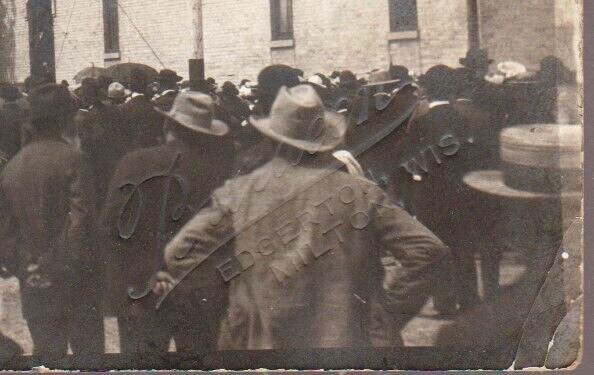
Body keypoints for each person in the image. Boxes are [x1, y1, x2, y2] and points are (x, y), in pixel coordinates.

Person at [158, 84, 448, 349]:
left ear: (273, 139)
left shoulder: (240, 192)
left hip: (261, 342)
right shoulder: (362, 193)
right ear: (324, 140)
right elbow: (428, 251)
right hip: (349, 342)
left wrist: (240, 295)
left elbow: (180, 254)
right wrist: (386, 314)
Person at [100, 91, 235, 354]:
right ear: (206, 134)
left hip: (141, 287)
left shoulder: (134, 162)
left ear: (168, 125)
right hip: (199, 291)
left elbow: (110, 227)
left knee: (141, 364)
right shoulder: (219, 170)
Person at [0, 83, 103, 356]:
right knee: (89, 357)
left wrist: (29, 266)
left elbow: (5, 232)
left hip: (34, 284)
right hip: (76, 279)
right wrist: (54, 265)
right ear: (64, 121)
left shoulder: (12, 167)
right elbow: (80, 221)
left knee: (47, 355)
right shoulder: (75, 159)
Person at [120, 68, 164, 149]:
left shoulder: (123, 108)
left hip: (130, 153)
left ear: (130, 86)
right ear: (146, 85)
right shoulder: (156, 107)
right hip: (152, 151)